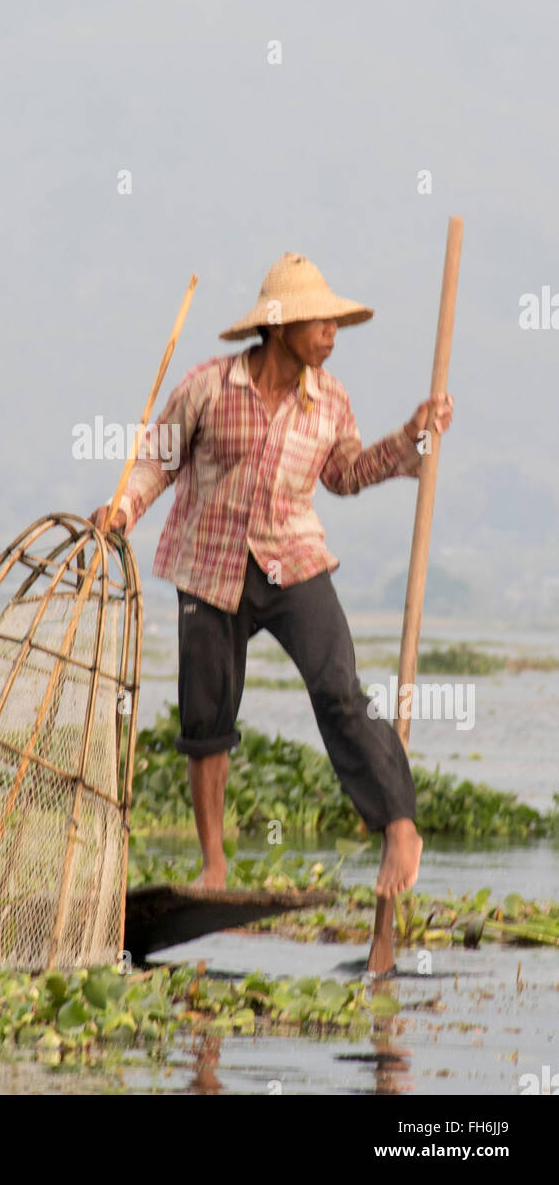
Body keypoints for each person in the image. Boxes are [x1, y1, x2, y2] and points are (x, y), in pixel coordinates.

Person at [90, 252, 454, 964]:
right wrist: (125, 506)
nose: (332, 333)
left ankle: (399, 823)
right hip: (209, 562)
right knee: (206, 720)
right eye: (321, 322)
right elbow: (157, 459)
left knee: (340, 689)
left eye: (335, 323)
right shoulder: (206, 387)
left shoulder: (332, 399)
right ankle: (215, 864)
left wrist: (410, 439)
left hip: (294, 561)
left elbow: (346, 475)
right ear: (279, 327)